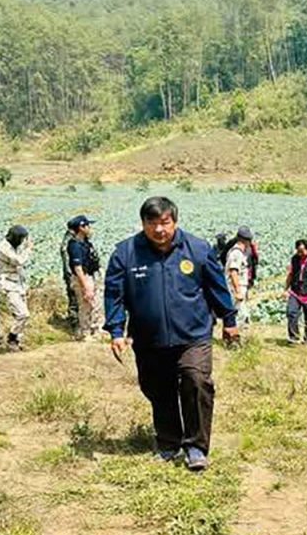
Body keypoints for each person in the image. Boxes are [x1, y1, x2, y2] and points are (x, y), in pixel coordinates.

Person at [104, 196, 238, 472]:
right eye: (152, 223)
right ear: (143, 223)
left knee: (196, 380)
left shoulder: (198, 249)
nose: (159, 229)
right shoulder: (125, 254)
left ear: (175, 221)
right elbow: (114, 295)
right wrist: (116, 330)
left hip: (193, 334)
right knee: (158, 388)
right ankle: (168, 442)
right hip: (148, 338)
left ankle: (196, 446)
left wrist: (229, 319)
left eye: (165, 222)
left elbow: (217, 287)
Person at [0, 225, 33, 352]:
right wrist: (28, 249)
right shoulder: (3, 248)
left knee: (23, 315)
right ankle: (12, 337)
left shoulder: (15, 246)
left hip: (19, 283)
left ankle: (17, 341)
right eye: (21, 238)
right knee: (23, 314)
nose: (22, 241)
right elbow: (19, 261)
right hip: (9, 285)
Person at [67, 215, 103, 341]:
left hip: (91, 275)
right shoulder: (75, 245)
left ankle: (96, 330)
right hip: (83, 277)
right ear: (81, 228)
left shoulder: (85, 242)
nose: (89, 228)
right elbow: (78, 268)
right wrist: (85, 285)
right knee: (85, 305)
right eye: (87, 225)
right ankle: (85, 333)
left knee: (96, 304)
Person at [224, 226, 253, 326]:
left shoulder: (239, 253)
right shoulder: (236, 253)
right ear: (246, 241)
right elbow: (233, 272)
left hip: (239, 287)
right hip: (235, 287)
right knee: (238, 315)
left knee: (241, 314)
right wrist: (238, 291)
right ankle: (235, 333)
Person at [60, 220, 80, 328]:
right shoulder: (69, 241)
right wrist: (71, 274)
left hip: (72, 273)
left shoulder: (71, 239)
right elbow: (67, 259)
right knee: (74, 298)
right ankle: (74, 323)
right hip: (71, 274)